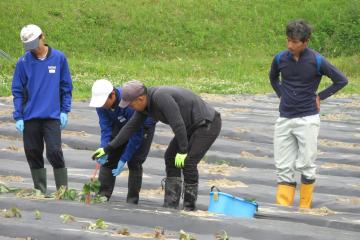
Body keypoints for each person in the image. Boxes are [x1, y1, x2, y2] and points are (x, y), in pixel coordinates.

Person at [92, 80, 222, 211]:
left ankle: (189, 207)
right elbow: (129, 128)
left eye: (131, 105)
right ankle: (171, 204)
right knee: (170, 157)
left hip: (206, 124)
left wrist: (183, 151)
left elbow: (178, 124)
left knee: (188, 162)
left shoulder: (161, 98)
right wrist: (108, 149)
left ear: (141, 99)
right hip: (188, 127)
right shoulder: (145, 106)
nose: (129, 108)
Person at [269, 19, 348, 208]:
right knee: (283, 166)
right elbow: (273, 78)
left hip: (307, 119)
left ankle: (305, 207)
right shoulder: (280, 58)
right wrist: (282, 94)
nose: (290, 45)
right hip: (285, 117)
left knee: (306, 164)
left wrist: (320, 96)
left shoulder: (317, 60)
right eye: (288, 40)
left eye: (294, 42)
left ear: (306, 41)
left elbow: (341, 80)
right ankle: (283, 208)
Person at [12, 24, 73, 194]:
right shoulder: (23, 62)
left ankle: (63, 190)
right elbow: (17, 91)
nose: (33, 49)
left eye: (34, 44)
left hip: (52, 116)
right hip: (30, 117)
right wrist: (18, 116)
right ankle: (40, 190)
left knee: (54, 152)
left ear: (42, 37)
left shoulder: (59, 58)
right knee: (32, 152)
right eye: (28, 46)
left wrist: (64, 111)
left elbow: (66, 87)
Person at [89, 79, 155, 203]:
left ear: (112, 95)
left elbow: (135, 135)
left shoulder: (129, 105)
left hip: (142, 127)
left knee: (134, 162)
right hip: (119, 126)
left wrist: (124, 158)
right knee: (109, 158)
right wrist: (104, 148)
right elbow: (106, 128)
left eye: (103, 102)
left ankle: (132, 200)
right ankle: (102, 196)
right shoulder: (101, 105)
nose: (102, 106)